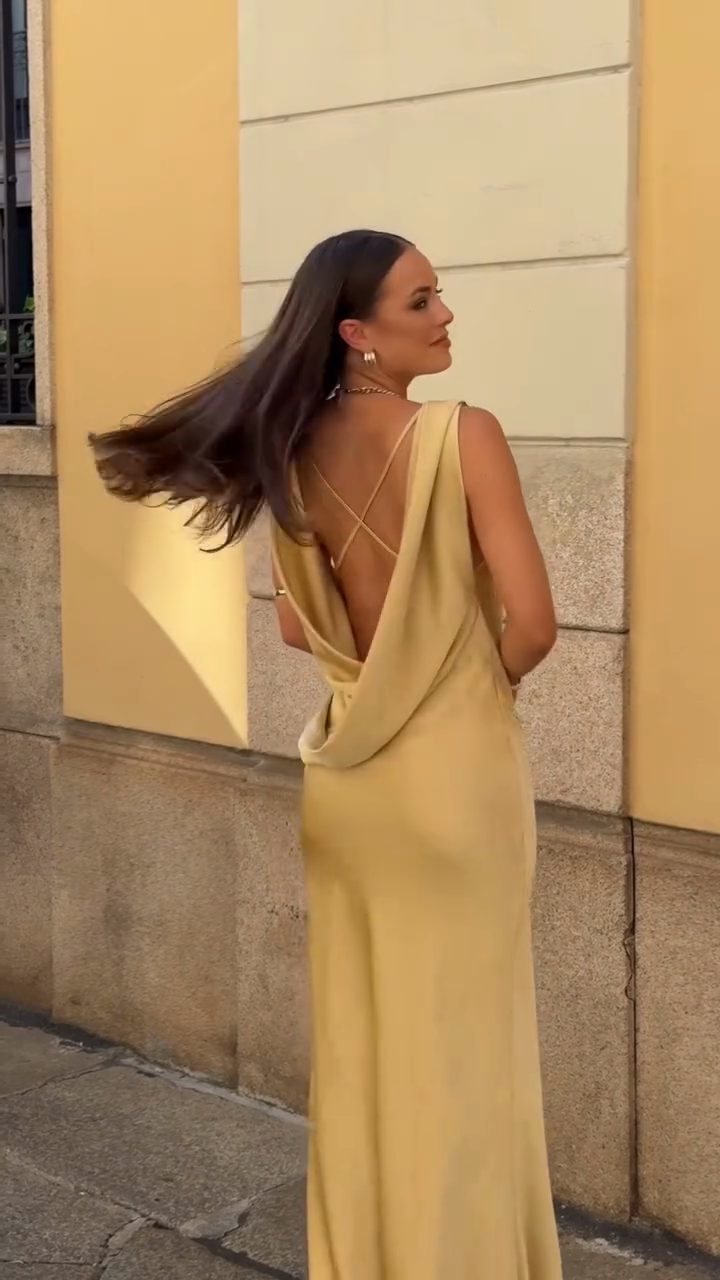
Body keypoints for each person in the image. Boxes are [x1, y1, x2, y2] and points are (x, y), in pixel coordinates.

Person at [91, 229, 561, 1279]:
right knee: (468, 1046)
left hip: (349, 791)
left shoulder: (291, 451)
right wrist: (466, 687)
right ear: (357, 332)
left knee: (367, 1048)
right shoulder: (463, 433)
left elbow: (299, 628)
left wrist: (384, 665)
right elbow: (533, 625)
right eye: (421, 300)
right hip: (458, 782)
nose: (446, 314)